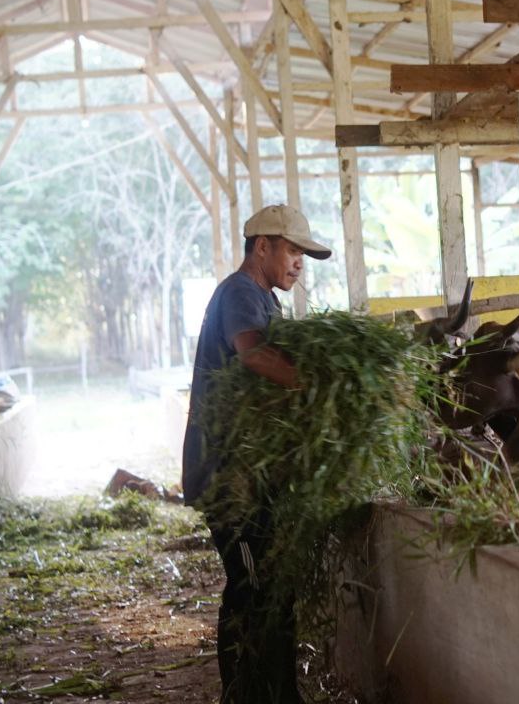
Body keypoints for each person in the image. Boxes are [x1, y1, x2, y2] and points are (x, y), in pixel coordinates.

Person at [182, 204, 332, 703]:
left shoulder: (264, 299)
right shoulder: (242, 294)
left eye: (303, 256)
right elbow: (253, 354)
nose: (298, 264)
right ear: (262, 246)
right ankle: (242, 694)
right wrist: (319, 387)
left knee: (270, 587)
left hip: (253, 471)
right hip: (230, 477)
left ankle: (278, 693)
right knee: (250, 586)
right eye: (292, 251)